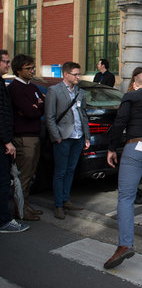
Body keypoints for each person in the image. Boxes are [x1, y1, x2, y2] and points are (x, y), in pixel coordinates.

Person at [104, 73, 142, 269]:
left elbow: (120, 122)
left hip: (137, 147)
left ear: (134, 84)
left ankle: (125, 244)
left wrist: (112, 147)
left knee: (126, 196)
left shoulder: (130, 96)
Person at [45, 62, 90, 220]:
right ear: (66, 74)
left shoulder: (80, 92)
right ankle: (58, 205)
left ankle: (66, 199)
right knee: (60, 172)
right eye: (75, 74)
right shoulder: (54, 91)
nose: (78, 77)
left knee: (71, 170)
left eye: (79, 74)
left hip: (78, 137)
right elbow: (50, 117)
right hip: (63, 138)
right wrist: (56, 137)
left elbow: (84, 115)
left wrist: (87, 136)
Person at [9, 54, 45, 221]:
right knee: (24, 175)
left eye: (33, 68)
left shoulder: (33, 87)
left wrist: (36, 106)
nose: (32, 71)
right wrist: (36, 106)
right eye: (28, 68)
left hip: (35, 135)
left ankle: (26, 204)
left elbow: (41, 106)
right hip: (23, 137)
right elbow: (31, 112)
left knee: (31, 174)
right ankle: (20, 209)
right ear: (18, 70)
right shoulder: (15, 88)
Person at [0, 49, 29, 233]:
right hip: (2, 142)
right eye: (5, 62)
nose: (7, 65)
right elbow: (1, 115)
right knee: (3, 182)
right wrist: (6, 141)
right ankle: (4, 221)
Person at [126, 66, 142, 204]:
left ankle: (137, 189)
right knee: (135, 166)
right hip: (136, 136)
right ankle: (133, 192)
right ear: (135, 78)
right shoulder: (130, 95)